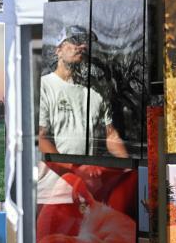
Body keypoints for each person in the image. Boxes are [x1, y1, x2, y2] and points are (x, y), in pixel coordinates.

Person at [38, 24, 128, 158]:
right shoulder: (45, 86)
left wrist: (128, 165)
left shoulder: (96, 91)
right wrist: (71, 169)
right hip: (60, 176)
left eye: (85, 43)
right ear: (59, 50)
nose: (82, 46)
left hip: (90, 175)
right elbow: (41, 138)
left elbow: (110, 134)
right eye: (75, 41)